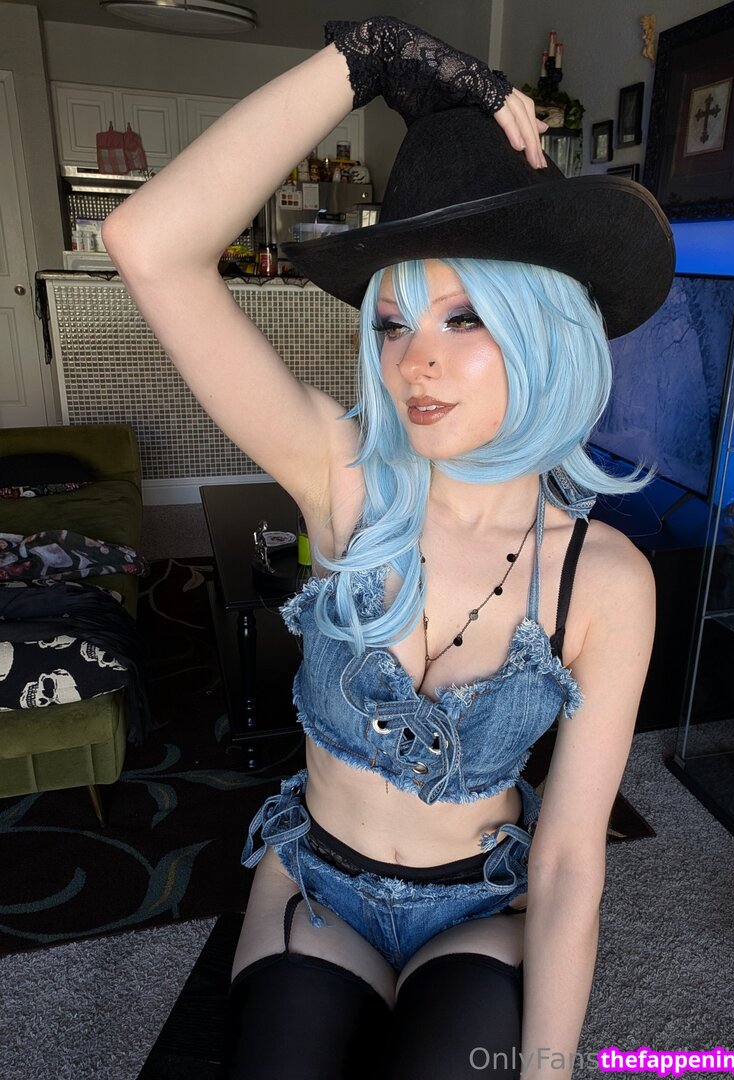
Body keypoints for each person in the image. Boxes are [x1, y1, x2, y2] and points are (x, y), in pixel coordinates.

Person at [103, 17, 673, 1079]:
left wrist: (548, 1072)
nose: (414, 362)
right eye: (393, 321)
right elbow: (149, 244)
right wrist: (365, 58)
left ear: (544, 329)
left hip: (481, 905)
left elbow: (568, 861)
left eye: (463, 319)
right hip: (318, 887)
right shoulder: (347, 481)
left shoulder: (603, 580)